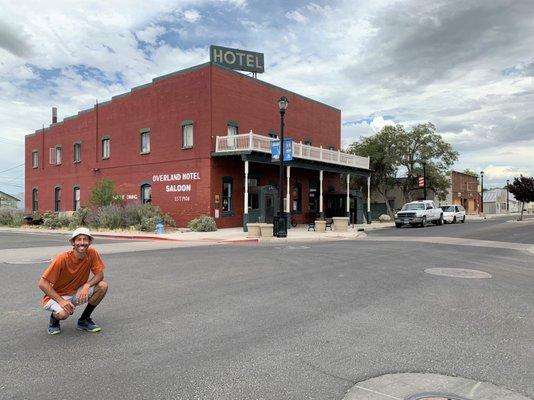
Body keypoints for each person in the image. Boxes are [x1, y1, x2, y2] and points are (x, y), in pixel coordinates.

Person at [38, 227, 108, 335]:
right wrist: (62, 301)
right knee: (64, 314)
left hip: (76, 292)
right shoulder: (62, 258)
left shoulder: (92, 253)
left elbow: (100, 275)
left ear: (89, 242)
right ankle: (54, 319)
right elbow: (42, 284)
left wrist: (87, 285)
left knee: (102, 286)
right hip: (57, 296)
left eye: (85, 239)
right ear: (73, 243)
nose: (82, 242)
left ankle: (84, 320)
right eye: (78, 239)